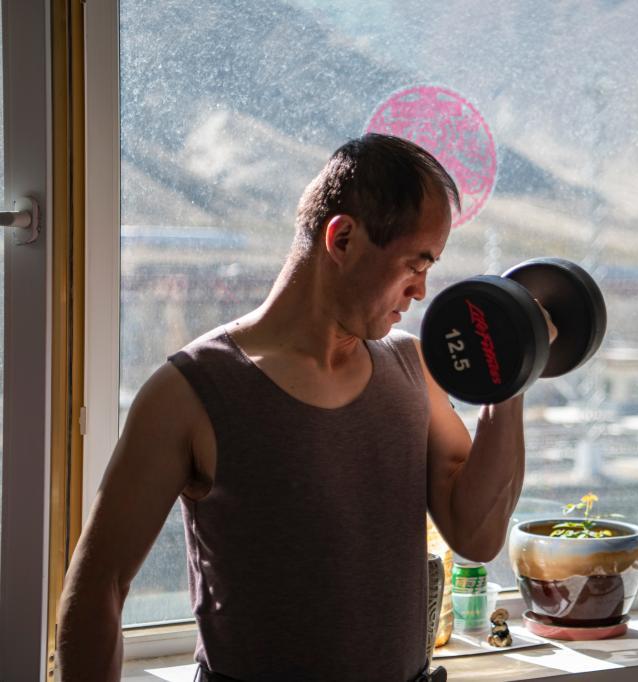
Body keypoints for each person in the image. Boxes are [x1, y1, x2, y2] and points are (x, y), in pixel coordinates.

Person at [57, 134, 554, 682]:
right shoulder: (190, 392)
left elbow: (478, 535)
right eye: (416, 264)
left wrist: (511, 375)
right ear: (342, 239)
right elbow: (97, 588)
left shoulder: (412, 369)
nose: (421, 290)